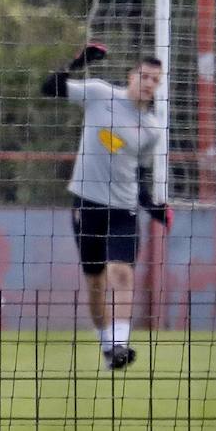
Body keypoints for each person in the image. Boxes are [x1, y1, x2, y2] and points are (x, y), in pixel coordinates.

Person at [42, 43, 171, 370]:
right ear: (132, 76)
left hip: (124, 211)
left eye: (155, 80)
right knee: (96, 282)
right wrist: (77, 61)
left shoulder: (153, 129)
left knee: (121, 272)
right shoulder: (99, 93)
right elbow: (49, 88)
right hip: (87, 205)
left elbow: (139, 175)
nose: (148, 83)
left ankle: (120, 344)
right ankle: (106, 345)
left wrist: (152, 207)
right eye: (144, 76)